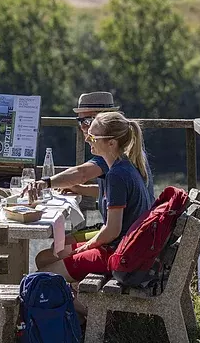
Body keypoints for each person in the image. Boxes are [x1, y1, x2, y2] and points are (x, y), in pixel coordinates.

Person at [35, 111, 152, 285]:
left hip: (118, 253)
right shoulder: (124, 165)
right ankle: (74, 299)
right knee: (44, 257)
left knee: (41, 279)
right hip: (124, 246)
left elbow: (112, 230)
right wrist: (81, 189)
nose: (88, 139)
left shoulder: (116, 175)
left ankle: (81, 310)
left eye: (93, 137)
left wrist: (86, 246)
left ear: (111, 143)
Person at [31, 91, 155, 244]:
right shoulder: (124, 149)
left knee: (57, 249)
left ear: (103, 119)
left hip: (125, 239)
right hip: (135, 233)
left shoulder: (114, 153)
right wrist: (80, 189)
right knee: (61, 244)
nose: (83, 127)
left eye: (87, 121)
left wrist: (46, 182)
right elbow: (119, 194)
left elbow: (82, 173)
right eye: (79, 121)